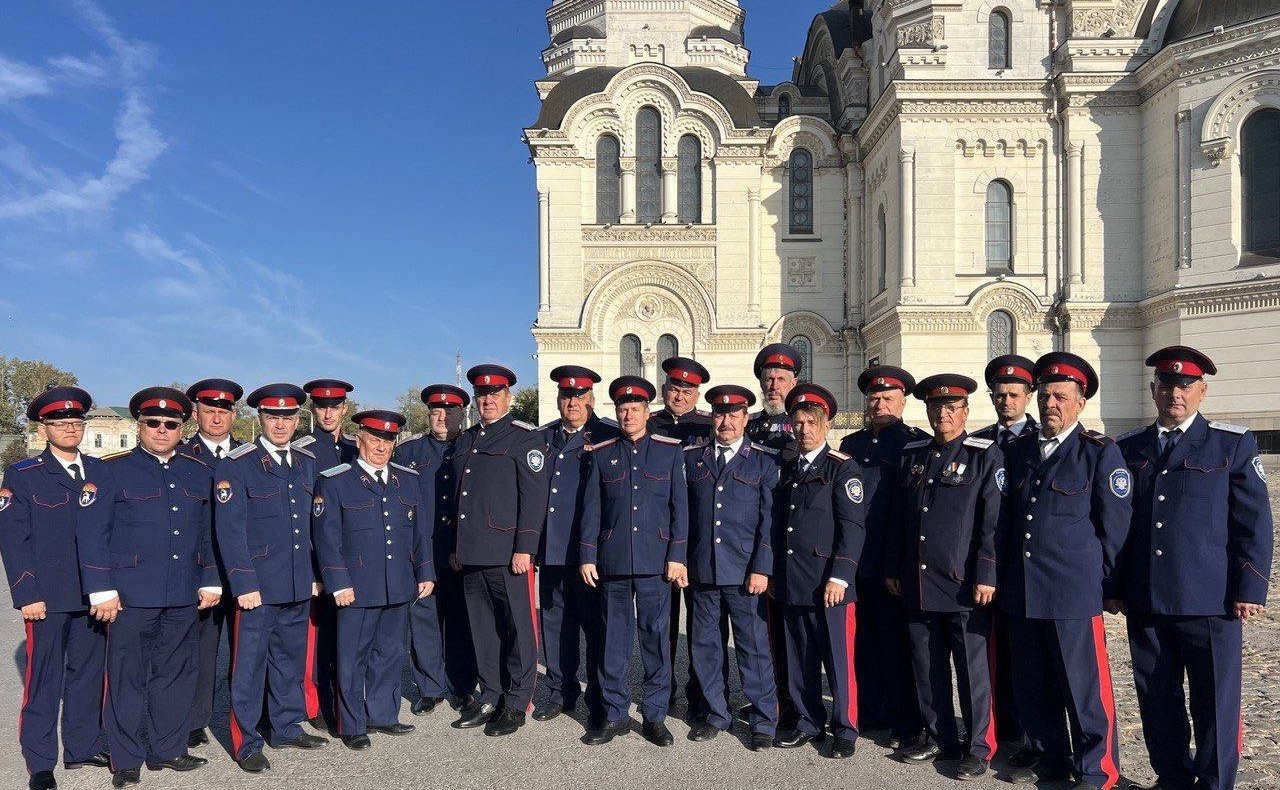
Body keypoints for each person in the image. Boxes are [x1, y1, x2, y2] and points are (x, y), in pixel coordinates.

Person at [1115, 346, 1273, 790]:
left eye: (1185, 385)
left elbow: (1253, 522)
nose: (1174, 393)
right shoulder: (1130, 448)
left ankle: (1215, 782)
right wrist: (1114, 584)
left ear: (1202, 391)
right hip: (1146, 598)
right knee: (1156, 698)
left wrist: (1251, 588)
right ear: (1153, 390)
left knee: (1215, 703)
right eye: (1166, 384)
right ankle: (1172, 777)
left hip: (1211, 599)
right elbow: (1118, 525)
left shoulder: (1231, 443)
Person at [76, 387, 221, 788]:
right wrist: (101, 589)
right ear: (139, 424)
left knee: (175, 674)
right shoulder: (111, 470)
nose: (161, 429)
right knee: (127, 678)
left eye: (170, 424)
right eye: (152, 422)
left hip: (182, 594)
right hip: (130, 597)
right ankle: (125, 757)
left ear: (181, 428)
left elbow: (209, 534)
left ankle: (168, 748)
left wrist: (210, 577)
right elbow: (92, 534)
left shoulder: (198, 472)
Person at [997, 353, 1131, 790]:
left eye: (1061, 396)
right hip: (1024, 592)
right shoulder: (1020, 452)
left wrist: (1106, 586)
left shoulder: (1098, 452)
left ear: (1080, 403)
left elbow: (1114, 529)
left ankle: (1098, 770)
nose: (1050, 403)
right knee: (1034, 688)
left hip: (1072, 593)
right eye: (1046, 395)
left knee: (1084, 691)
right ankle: (1052, 759)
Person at [886, 374, 1001, 780]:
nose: (943, 415)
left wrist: (986, 573)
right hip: (918, 580)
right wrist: (894, 567)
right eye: (936, 408)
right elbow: (901, 520)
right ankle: (939, 737)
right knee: (927, 664)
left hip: (963, 584)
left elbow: (991, 523)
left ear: (965, 412)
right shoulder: (914, 454)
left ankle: (978, 746)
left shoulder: (984, 455)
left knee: (972, 671)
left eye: (951, 408)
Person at [215, 384, 329, 771]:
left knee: (288, 659)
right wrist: (243, 583)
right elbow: (229, 531)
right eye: (273, 416)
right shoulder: (237, 464)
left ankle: (285, 726)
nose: (280, 424)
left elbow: (313, 527)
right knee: (248, 666)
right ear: (259, 418)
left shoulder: (306, 461)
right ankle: (246, 741)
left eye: (288, 417)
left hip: (297, 582)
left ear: (298, 419)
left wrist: (315, 574)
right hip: (258, 587)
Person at [0, 387, 109, 790]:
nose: (69, 428)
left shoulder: (100, 471)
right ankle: (40, 762)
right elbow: (13, 539)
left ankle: (82, 746)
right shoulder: (24, 475)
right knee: (43, 679)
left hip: (92, 595)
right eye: (60, 422)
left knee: (88, 673)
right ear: (44, 428)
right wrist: (26, 594)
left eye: (76, 422)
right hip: (46, 598)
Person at [312, 410, 433, 749]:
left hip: (397, 582)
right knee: (352, 658)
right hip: (356, 587)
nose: (382, 446)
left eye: (389, 440)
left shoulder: (407, 480)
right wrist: (338, 583)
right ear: (360, 438)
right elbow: (326, 537)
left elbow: (420, 533)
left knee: (390, 653)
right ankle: (351, 724)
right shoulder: (336, 480)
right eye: (376, 438)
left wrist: (425, 571)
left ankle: (383, 714)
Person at [579, 375, 688, 747]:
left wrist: (677, 556)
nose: (628, 415)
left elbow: (680, 511)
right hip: (612, 562)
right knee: (614, 642)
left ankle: (655, 716)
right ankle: (614, 714)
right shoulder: (602, 453)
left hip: (656, 564)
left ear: (647, 412)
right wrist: (588, 555)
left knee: (656, 641)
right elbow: (591, 509)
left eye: (635, 409)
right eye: (622, 409)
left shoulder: (669, 451)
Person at [450, 365, 548, 737]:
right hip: (473, 553)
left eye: (495, 394)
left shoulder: (524, 438)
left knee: (518, 630)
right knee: (483, 630)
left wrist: (525, 547)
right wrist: (458, 547)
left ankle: (517, 700)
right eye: (482, 395)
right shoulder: (468, 440)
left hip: (509, 555)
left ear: (508, 397)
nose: (488, 400)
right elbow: (461, 501)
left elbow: (533, 498)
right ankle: (490, 693)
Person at [684, 384, 779, 751]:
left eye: (734, 414)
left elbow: (769, 523)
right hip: (704, 571)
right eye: (720, 414)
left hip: (745, 574)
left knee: (753, 648)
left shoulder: (763, 461)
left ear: (745, 418)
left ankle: (763, 719)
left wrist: (762, 568)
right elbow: (684, 516)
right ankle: (716, 713)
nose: (726, 421)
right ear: (712, 417)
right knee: (706, 647)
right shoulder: (693, 459)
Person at [773, 383, 865, 759]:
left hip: (830, 585)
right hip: (794, 579)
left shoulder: (843, 468)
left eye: (812, 422)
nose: (805, 429)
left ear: (826, 425)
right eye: (798, 422)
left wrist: (840, 576)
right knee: (800, 656)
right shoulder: (787, 469)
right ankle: (809, 721)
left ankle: (845, 727)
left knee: (838, 660)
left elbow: (853, 527)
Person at [837, 366, 927, 747]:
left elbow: (911, 510)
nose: (879, 404)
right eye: (874, 397)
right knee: (863, 642)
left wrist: (897, 563)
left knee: (897, 645)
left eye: (888, 398)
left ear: (902, 401)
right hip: (857, 561)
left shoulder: (913, 444)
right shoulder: (852, 445)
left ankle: (905, 722)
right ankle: (870, 711)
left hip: (891, 563)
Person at [534, 366, 617, 726]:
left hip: (591, 554)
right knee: (555, 625)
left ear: (591, 400)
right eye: (567, 397)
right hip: (552, 549)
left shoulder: (607, 435)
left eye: (580, 397)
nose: (573, 402)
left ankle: (599, 697)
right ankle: (560, 691)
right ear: (558, 399)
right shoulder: (542, 437)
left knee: (596, 627)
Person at [393, 384, 478, 715]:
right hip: (422, 549)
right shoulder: (409, 453)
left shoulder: (472, 447)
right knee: (424, 618)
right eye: (435, 412)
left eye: (449, 412)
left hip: (461, 550)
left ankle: (462, 685)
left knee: (461, 620)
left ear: (462, 415)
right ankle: (429, 686)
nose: (441, 418)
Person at [969, 354, 1038, 761]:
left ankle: (1031, 739)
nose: (1006, 401)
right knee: (990, 652)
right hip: (986, 565)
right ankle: (999, 728)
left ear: (1027, 396)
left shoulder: (1038, 440)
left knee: (1028, 658)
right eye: (999, 395)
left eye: (1013, 394)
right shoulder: (978, 442)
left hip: (1026, 566)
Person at [649, 356, 716, 719]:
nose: (679, 395)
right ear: (664, 390)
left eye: (687, 390)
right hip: (660, 539)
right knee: (662, 625)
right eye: (674, 388)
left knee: (703, 626)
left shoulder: (708, 426)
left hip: (700, 539)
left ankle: (702, 696)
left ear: (697, 393)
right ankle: (664, 691)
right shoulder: (650, 424)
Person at [179, 378, 243, 750]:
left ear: (233, 414)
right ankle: (194, 719)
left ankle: (250, 714)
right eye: (208, 411)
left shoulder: (249, 455)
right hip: (200, 570)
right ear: (196, 413)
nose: (216, 418)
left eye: (223, 411)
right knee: (201, 650)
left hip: (245, 572)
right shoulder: (184, 456)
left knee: (248, 647)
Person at [297, 378, 358, 728]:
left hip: (350, 560)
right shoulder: (302, 451)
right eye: (322, 406)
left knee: (346, 637)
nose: (329, 412)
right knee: (315, 638)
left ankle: (343, 699)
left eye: (335, 406)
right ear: (313, 409)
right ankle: (314, 704)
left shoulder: (354, 449)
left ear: (345, 409)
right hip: (316, 561)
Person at [746, 343, 801, 452]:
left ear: (793, 383)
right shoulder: (747, 425)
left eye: (781, 379)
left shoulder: (800, 425)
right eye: (769, 379)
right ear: (761, 384)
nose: (774, 386)